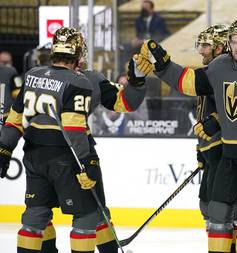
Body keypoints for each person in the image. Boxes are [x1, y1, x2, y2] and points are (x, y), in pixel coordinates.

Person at [136, 18, 237, 253]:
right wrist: (162, 62)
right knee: (217, 214)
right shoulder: (220, 66)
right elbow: (189, 82)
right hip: (229, 153)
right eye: (234, 42)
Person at [0, 27, 150, 253]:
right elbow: (79, 125)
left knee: (35, 216)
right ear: (79, 53)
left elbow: (14, 119)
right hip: (71, 157)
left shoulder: (33, 76)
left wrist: (4, 148)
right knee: (90, 215)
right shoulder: (84, 80)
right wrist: (86, 161)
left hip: (34, 155)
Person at [192, 23, 228, 244]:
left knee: (220, 211)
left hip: (223, 150)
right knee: (206, 205)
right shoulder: (209, 73)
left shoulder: (226, 73)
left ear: (220, 47)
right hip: (210, 150)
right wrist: (200, 150)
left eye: (206, 45)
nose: (201, 50)